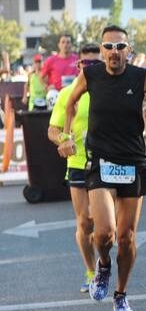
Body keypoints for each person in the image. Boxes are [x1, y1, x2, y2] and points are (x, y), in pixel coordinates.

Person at [58, 25, 146, 311]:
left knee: (127, 238)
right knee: (104, 233)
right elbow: (70, 102)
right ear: (101, 51)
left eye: (120, 47)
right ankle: (103, 265)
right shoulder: (90, 75)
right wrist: (66, 136)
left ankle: (121, 294)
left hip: (133, 162)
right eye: (108, 47)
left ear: (129, 50)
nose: (114, 52)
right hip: (101, 161)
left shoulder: (141, 77)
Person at [47, 42, 101, 292]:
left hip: (107, 164)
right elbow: (53, 130)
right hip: (79, 164)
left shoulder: (109, 90)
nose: (89, 67)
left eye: (95, 63)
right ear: (79, 65)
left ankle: (105, 264)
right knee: (85, 223)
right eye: (85, 63)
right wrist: (63, 140)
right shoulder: (68, 93)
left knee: (106, 225)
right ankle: (91, 270)